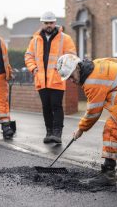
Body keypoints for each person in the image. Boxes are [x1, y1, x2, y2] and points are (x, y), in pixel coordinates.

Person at [56, 54, 117, 186]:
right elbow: (114, 61)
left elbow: (93, 112)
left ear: (77, 67)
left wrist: (81, 129)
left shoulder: (92, 81)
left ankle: (108, 173)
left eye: (71, 76)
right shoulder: (95, 64)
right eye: (68, 79)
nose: (71, 80)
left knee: (111, 127)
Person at [24, 11, 76, 144]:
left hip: (57, 79)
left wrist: (63, 70)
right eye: (46, 23)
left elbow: (71, 57)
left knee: (56, 106)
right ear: (43, 23)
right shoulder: (35, 40)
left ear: (55, 23)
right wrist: (33, 68)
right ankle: (49, 132)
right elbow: (28, 56)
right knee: (46, 106)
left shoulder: (65, 39)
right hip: (41, 80)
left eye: (51, 23)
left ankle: (57, 133)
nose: (49, 25)